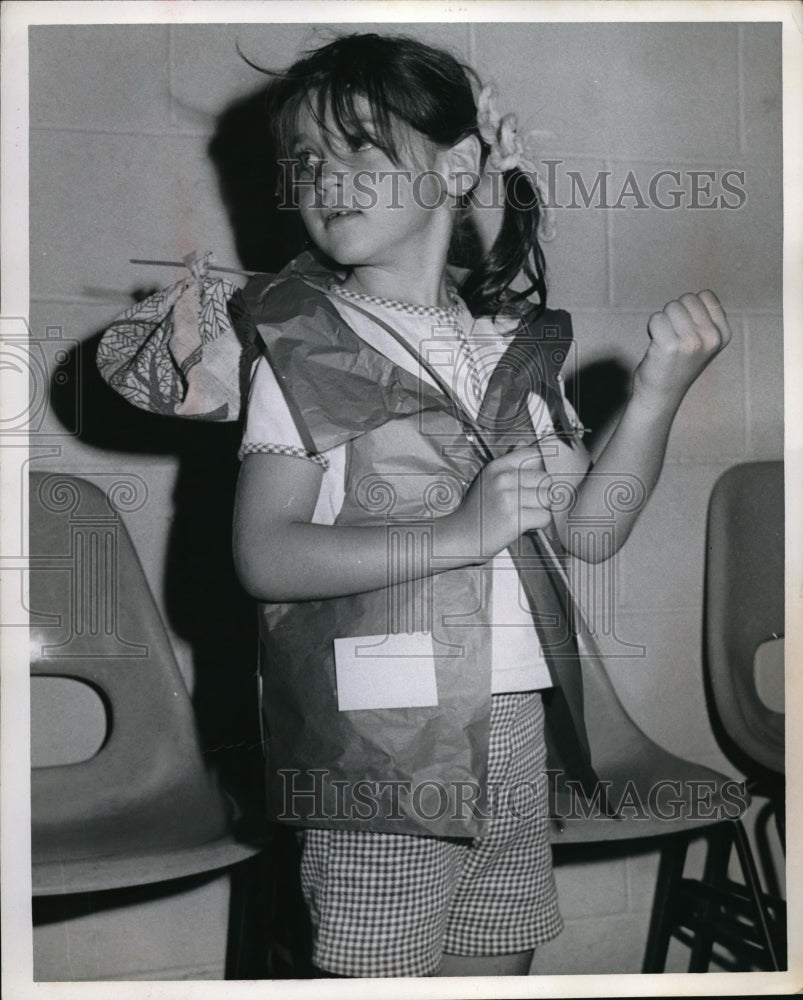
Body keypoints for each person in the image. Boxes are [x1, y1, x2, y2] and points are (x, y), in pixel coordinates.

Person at [99, 31, 731, 980]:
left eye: (362, 143)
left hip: (515, 720)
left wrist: (657, 398)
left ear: (458, 163)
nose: (325, 176)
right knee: (380, 967)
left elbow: (589, 533)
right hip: (378, 742)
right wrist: (457, 533)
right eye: (306, 158)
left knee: (496, 958)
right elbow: (265, 555)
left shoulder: (506, 345)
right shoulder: (301, 341)